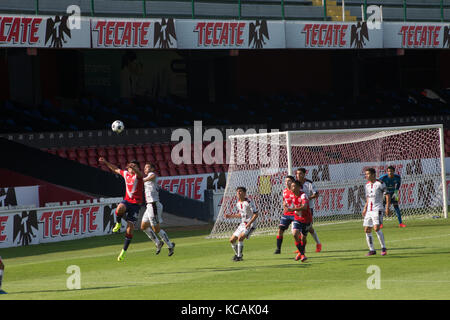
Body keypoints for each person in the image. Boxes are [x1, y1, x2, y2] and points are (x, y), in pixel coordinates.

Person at [99, 157, 144, 262]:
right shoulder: (126, 174)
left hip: (136, 205)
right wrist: (105, 162)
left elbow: (140, 174)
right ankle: (118, 223)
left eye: (135, 166)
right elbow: (115, 169)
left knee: (130, 229)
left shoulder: (138, 177)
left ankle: (123, 252)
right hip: (127, 201)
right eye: (131, 166)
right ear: (128, 169)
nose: (132, 168)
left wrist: (135, 169)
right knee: (119, 208)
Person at [141, 163, 175, 256]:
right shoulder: (146, 178)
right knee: (143, 226)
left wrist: (142, 180)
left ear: (152, 168)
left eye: (147, 167)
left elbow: (150, 177)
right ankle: (158, 243)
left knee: (156, 229)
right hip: (149, 206)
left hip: (154, 205)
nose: (145, 169)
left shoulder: (152, 175)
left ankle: (170, 245)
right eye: (144, 168)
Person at [225, 187, 258, 262]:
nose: (238, 193)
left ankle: (239, 257)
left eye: (240, 191)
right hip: (243, 224)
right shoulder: (238, 203)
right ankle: (238, 254)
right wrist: (230, 216)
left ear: (244, 193)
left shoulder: (249, 202)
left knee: (240, 238)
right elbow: (241, 214)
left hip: (251, 224)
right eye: (237, 192)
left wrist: (249, 223)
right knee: (232, 240)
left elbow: (256, 214)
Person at [363, 168, 390, 256]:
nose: (366, 176)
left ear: (373, 174)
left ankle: (383, 248)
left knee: (376, 228)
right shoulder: (367, 185)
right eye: (366, 174)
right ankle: (372, 250)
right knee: (367, 229)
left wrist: (387, 208)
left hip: (377, 209)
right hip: (369, 210)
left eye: (367, 174)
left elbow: (387, 195)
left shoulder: (380, 184)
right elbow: (368, 198)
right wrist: (365, 208)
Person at [295, 168, 322, 252]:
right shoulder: (295, 184)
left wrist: (307, 198)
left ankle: (318, 243)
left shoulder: (309, 183)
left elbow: (316, 194)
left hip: (308, 208)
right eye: (297, 174)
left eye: (300, 174)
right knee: (298, 228)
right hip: (298, 209)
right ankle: (301, 248)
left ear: (304, 174)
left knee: (308, 228)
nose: (298, 175)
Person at [286, 180, 312, 262]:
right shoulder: (291, 195)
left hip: (306, 219)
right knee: (295, 234)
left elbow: (304, 207)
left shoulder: (303, 195)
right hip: (297, 218)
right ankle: (302, 254)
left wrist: (292, 209)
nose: (291, 187)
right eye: (291, 186)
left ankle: (301, 252)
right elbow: (289, 204)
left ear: (298, 187)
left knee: (303, 238)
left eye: (293, 186)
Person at [274, 175, 296, 254]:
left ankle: (301, 249)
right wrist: (284, 205)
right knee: (280, 230)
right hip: (286, 214)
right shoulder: (284, 191)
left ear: (293, 182)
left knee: (295, 233)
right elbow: (284, 200)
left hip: (295, 214)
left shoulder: (297, 191)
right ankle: (278, 249)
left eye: (289, 181)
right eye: (286, 181)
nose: (287, 182)